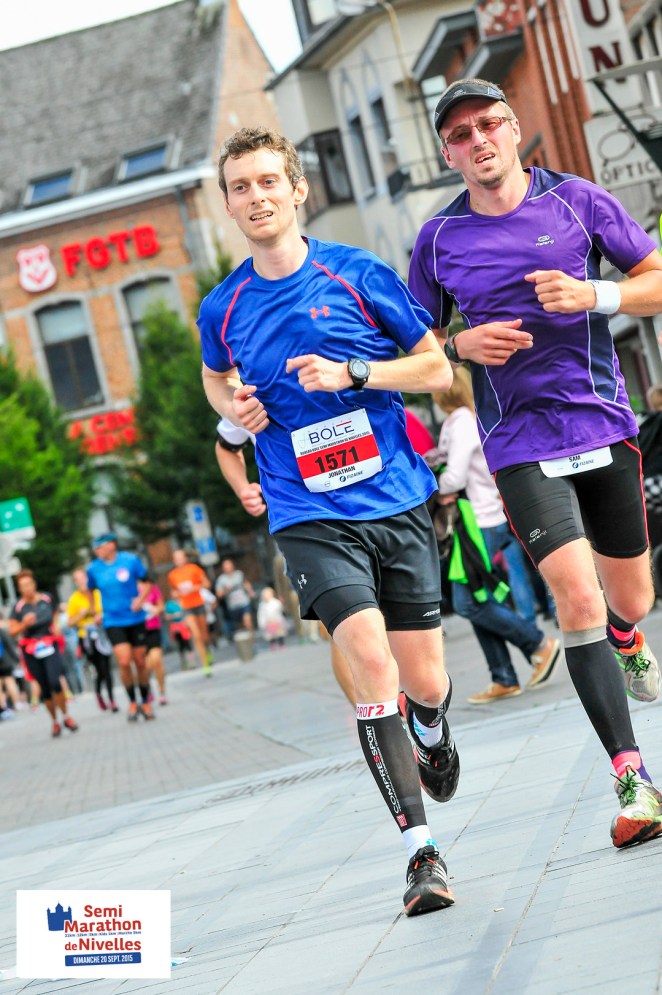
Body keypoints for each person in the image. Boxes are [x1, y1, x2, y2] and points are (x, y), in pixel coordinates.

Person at [197, 126, 458, 916]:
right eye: (240, 187)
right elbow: (214, 378)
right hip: (305, 507)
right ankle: (421, 853)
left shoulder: (358, 273)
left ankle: (432, 727)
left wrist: (355, 370)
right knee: (370, 663)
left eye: (267, 181)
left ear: (297, 188)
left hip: (394, 496)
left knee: (425, 679)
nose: (256, 197)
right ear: (228, 203)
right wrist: (235, 405)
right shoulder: (222, 305)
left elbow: (436, 367)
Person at [409, 76, 662, 848]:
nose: (478, 140)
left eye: (489, 124)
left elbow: (655, 280)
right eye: (460, 134)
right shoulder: (438, 240)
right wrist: (459, 344)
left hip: (604, 424)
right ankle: (633, 779)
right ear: (448, 154)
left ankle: (627, 635)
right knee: (577, 603)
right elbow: (412, 346)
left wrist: (594, 296)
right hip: (519, 445)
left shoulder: (576, 201)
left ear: (514, 129)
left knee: (631, 598)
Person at [433, 366, 560, 702]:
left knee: (468, 602)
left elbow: (455, 477)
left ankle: (538, 644)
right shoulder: (464, 419)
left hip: (480, 521)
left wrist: (433, 488)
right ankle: (503, 676)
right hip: (478, 519)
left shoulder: (461, 421)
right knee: (479, 598)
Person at [86, 532, 154, 721]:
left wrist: (140, 600)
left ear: (111, 545)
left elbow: (148, 582)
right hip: (113, 621)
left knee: (140, 661)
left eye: (100, 547)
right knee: (124, 661)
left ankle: (145, 700)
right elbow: (89, 590)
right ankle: (132, 702)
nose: (97, 551)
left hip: (135, 618)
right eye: (95, 548)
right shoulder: (93, 569)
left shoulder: (130, 560)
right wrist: (95, 611)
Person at [8, 569, 78, 738]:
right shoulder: (18, 608)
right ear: (19, 589)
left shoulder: (47, 598)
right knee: (45, 687)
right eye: (23, 586)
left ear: (34, 584)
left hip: (50, 644)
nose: (27, 588)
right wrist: (24, 624)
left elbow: (55, 615)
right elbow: (12, 631)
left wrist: (56, 626)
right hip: (31, 649)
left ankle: (66, 716)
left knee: (55, 681)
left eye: (29, 584)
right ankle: (55, 721)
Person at [67, 568, 117, 712]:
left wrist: (100, 616)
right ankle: (99, 693)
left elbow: (109, 609)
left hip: (102, 634)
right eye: (77, 579)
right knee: (99, 669)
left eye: (83, 578)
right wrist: (81, 615)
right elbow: (70, 622)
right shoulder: (74, 599)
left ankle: (112, 699)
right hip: (86, 638)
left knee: (106, 667)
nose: (81, 581)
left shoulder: (97, 593)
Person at [167, 549, 213, 675]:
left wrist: (193, 588)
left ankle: (207, 650)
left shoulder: (194, 569)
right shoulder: (172, 575)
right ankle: (205, 665)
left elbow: (207, 584)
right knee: (196, 635)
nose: (179, 561)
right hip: (187, 607)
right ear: (174, 561)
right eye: (176, 559)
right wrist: (176, 594)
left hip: (198, 604)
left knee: (204, 635)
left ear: (185, 558)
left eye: (181, 558)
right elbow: (173, 591)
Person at [137, 575, 167, 706]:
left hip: (153, 628)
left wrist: (156, 609)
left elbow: (161, 606)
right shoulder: (130, 589)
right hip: (139, 631)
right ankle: (147, 688)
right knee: (145, 664)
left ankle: (162, 691)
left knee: (157, 660)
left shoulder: (152, 588)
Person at [214, 558, 255, 638]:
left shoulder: (239, 574)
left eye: (229, 566)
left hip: (244, 602)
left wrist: (250, 591)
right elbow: (218, 594)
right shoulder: (221, 579)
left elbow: (246, 583)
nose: (228, 568)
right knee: (240, 625)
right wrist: (226, 590)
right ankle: (245, 640)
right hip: (233, 606)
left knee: (247, 620)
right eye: (226, 567)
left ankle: (251, 637)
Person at [163, 597, 196, 670]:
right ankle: (184, 663)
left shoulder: (184, 601)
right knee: (180, 646)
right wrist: (174, 615)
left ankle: (192, 662)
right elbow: (166, 616)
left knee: (188, 644)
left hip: (184, 626)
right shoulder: (169, 604)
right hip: (175, 627)